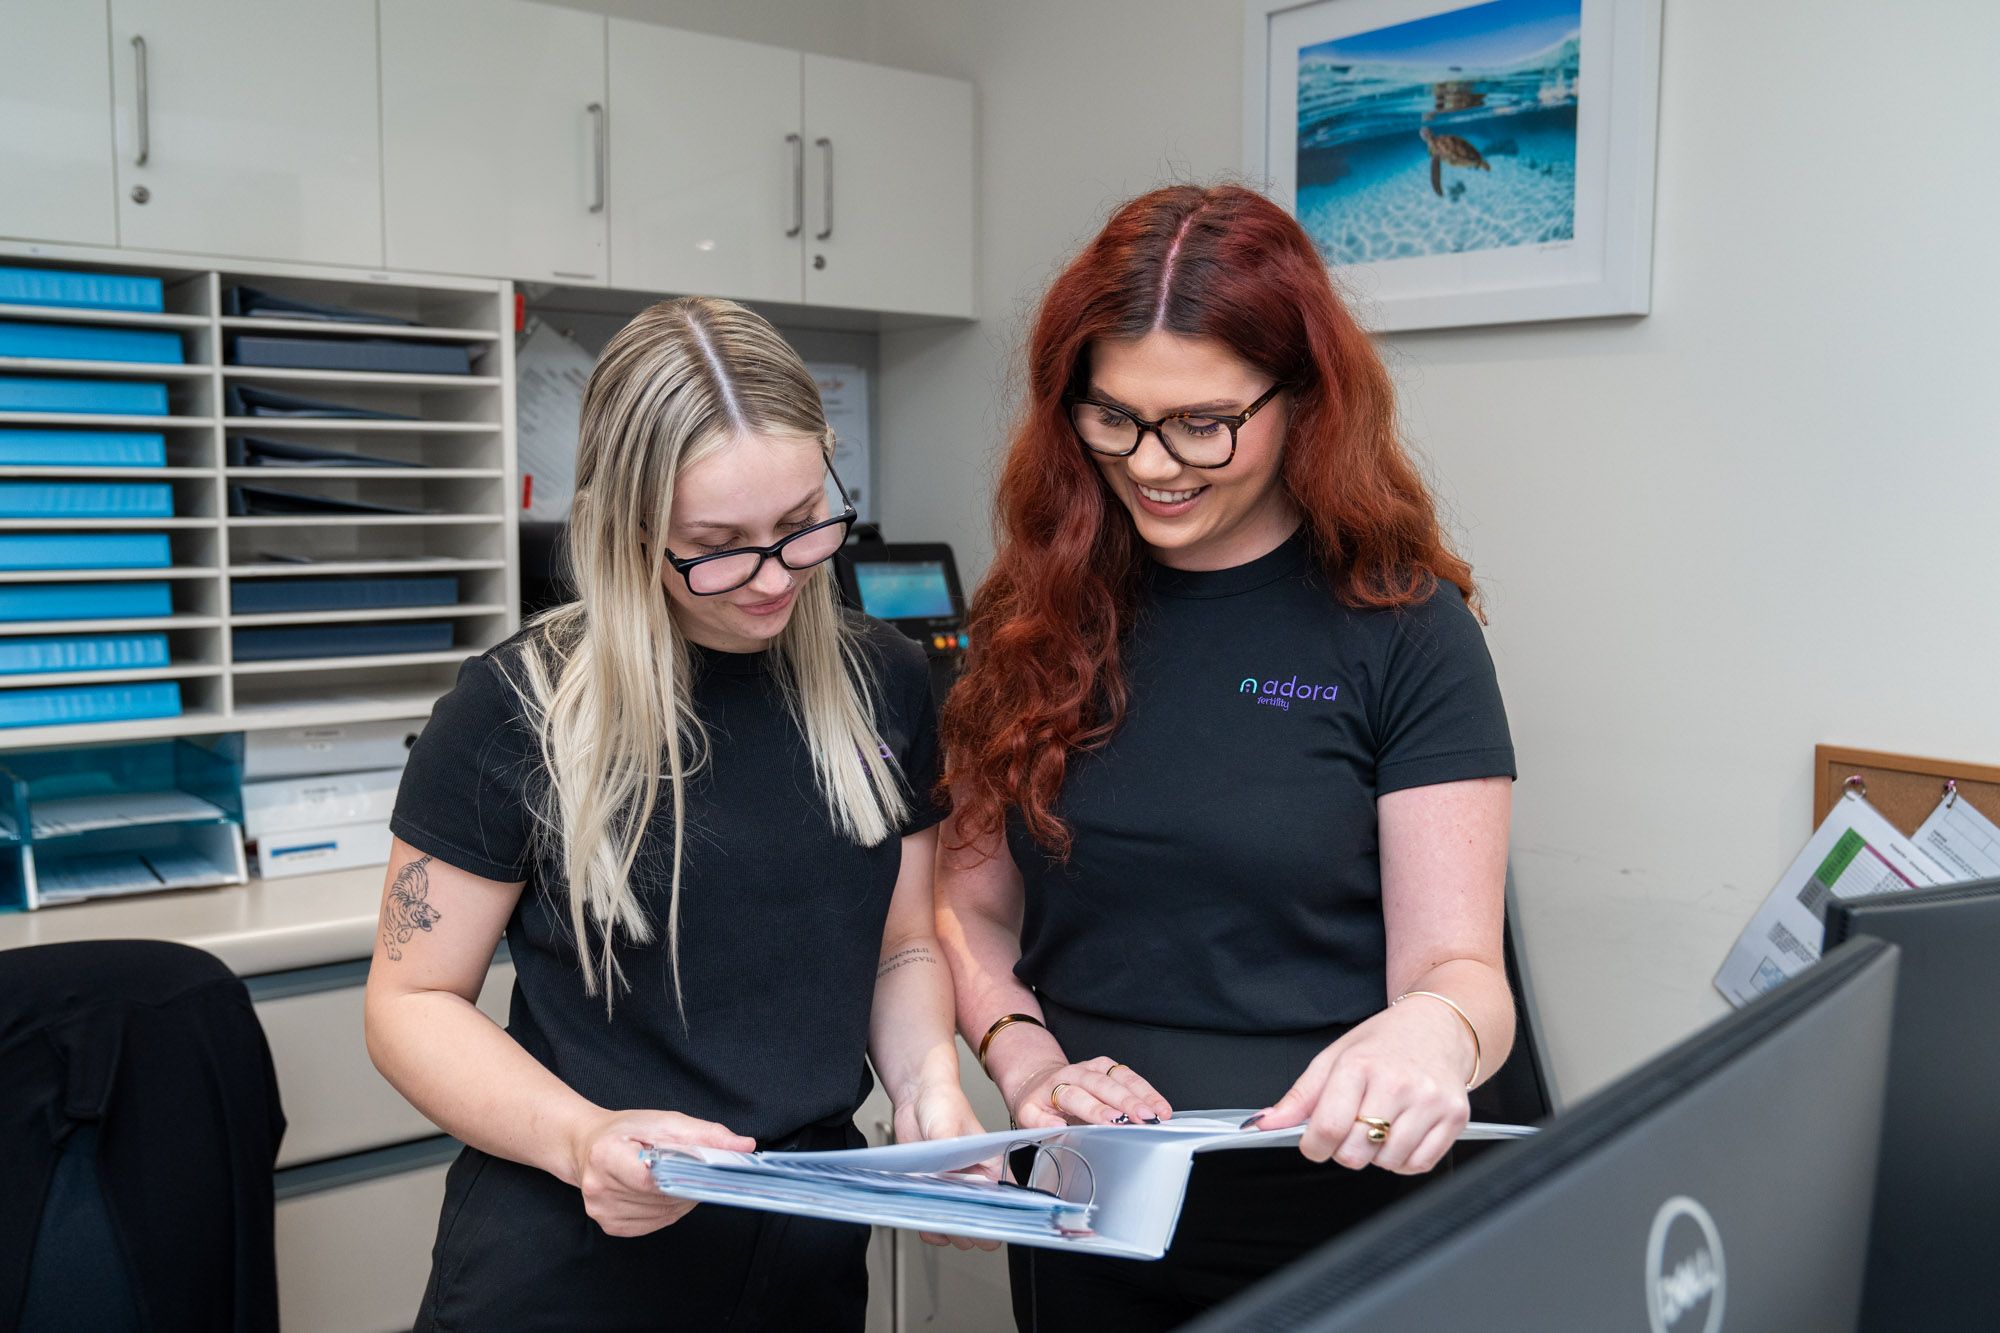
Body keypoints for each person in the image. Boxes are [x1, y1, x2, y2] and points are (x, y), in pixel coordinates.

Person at [934, 184, 1518, 1330]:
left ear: (1303, 399)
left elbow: (1463, 973)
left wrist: (1434, 1028)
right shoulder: (1031, 618)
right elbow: (968, 911)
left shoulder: (1403, 627)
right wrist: (1027, 1064)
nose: (1151, 462)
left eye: (1202, 423)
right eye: (1112, 418)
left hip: (1335, 1218)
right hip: (1087, 1203)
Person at [364, 296, 988, 1331]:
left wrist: (928, 1090)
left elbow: (903, 942)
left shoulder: (882, 679)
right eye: (716, 544)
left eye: (801, 523)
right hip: (577, 1251)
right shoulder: (515, 708)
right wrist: (579, 1138)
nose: (775, 575)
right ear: (626, 525)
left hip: (806, 1243)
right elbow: (410, 1000)